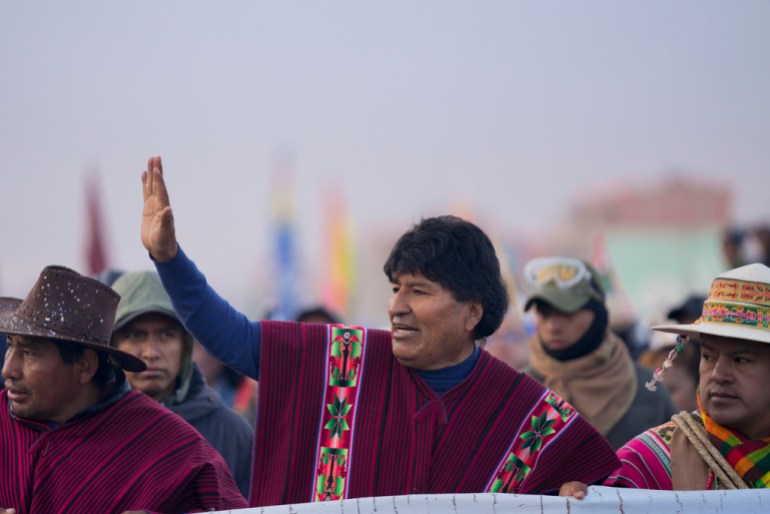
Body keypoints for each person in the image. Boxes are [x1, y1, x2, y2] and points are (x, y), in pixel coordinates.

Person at [140, 155, 619, 507]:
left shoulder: (528, 415)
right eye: (395, 288)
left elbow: (616, 490)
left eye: (420, 292)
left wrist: (577, 495)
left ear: (472, 313)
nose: (397, 307)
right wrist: (169, 258)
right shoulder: (342, 359)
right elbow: (231, 337)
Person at [0, 266, 247, 514]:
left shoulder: (172, 444)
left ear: (85, 366)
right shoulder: (3, 424)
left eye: (30, 354)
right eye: (10, 347)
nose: (8, 370)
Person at [562, 263, 770, 496]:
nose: (718, 374)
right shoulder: (647, 462)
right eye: (709, 356)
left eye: (741, 360)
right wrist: (583, 501)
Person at [110, 269, 254, 497]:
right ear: (113, 346)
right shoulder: (87, 430)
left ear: (186, 346)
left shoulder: (232, 434)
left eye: (166, 335)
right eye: (135, 335)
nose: (151, 352)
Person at [521, 257, 676, 450]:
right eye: (544, 313)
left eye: (566, 312)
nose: (553, 326)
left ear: (598, 313)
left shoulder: (648, 392)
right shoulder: (517, 393)